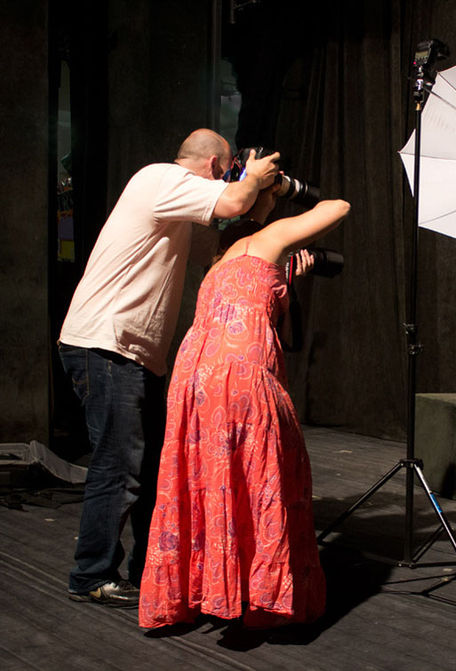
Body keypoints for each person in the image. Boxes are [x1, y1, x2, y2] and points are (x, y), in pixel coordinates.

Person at [59, 129, 279, 606]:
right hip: (107, 346)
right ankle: (91, 576)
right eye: (229, 170)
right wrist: (252, 178)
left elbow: (220, 247)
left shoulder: (176, 212)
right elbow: (231, 201)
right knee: (118, 468)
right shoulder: (160, 178)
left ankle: (148, 571)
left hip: (134, 355)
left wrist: (260, 203)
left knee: (151, 468)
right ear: (216, 166)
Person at [137, 186, 350, 629]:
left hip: (193, 376)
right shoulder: (265, 241)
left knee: (207, 475)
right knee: (266, 471)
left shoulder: (216, 267)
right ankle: (260, 596)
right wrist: (292, 190)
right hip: (238, 370)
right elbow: (339, 207)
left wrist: (286, 283)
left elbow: (273, 327)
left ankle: (204, 591)